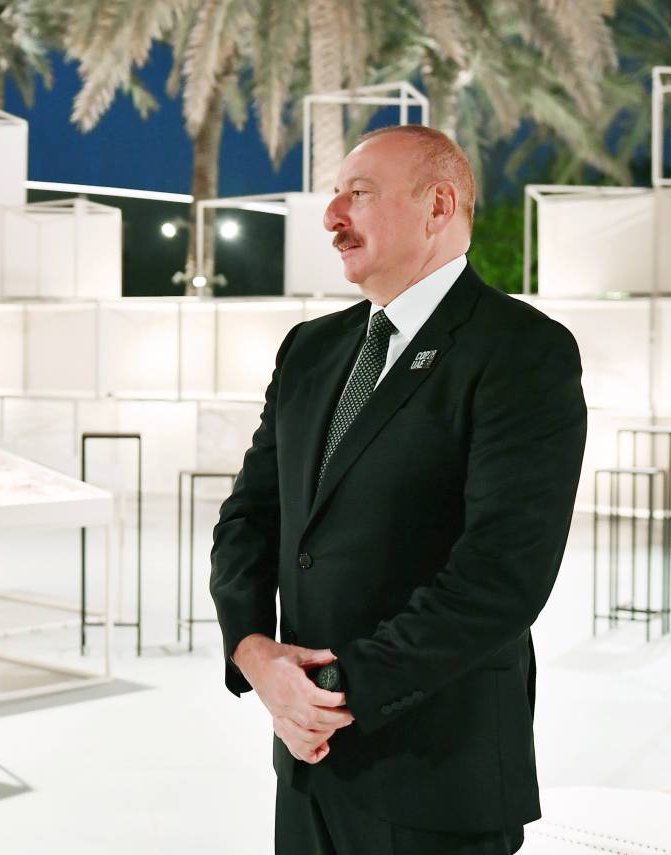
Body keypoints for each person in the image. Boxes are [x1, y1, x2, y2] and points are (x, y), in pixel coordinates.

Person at [209, 125, 587, 854]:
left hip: (437, 776)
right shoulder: (310, 349)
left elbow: (502, 574)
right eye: (335, 195)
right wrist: (254, 651)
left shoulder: (521, 351)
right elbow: (249, 518)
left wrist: (330, 690)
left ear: (438, 205)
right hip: (307, 765)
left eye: (359, 193)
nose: (331, 216)